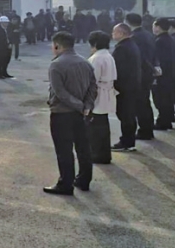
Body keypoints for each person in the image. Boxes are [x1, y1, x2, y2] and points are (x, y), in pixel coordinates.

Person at [44, 31, 97, 196]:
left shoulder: (56, 65)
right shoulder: (85, 63)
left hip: (62, 113)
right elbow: (93, 87)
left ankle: (65, 184)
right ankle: (84, 180)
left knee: (64, 150)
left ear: (57, 46)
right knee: (83, 148)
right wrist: (87, 106)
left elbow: (60, 92)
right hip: (82, 114)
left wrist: (79, 105)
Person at [125, 13, 156, 140]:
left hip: (140, 74)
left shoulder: (134, 37)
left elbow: (138, 58)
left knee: (140, 104)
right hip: (148, 72)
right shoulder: (148, 34)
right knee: (145, 102)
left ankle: (145, 130)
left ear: (127, 22)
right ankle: (148, 128)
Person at [87, 31, 116, 165]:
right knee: (103, 125)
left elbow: (92, 80)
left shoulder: (96, 58)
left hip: (98, 93)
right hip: (107, 91)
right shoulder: (108, 55)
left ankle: (97, 154)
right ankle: (104, 154)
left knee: (95, 127)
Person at [111, 23, 141, 152]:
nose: (112, 34)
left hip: (125, 87)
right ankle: (129, 140)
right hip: (133, 85)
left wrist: (114, 85)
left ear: (121, 33)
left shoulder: (122, 48)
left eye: (114, 32)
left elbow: (119, 69)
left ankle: (126, 141)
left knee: (125, 114)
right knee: (129, 114)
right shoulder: (131, 45)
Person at [152, 18, 175, 131]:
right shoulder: (171, 39)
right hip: (170, 73)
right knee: (167, 98)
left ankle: (162, 122)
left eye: (154, 26)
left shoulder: (159, 41)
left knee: (160, 99)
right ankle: (167, 121)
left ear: (158, 27)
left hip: (162, 75)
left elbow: (158, 59)